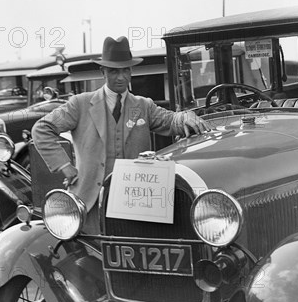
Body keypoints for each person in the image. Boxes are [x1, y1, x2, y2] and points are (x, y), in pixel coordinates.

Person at [32, 36, 208, 232]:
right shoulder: (79, 104)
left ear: (131, 71)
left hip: (135, 203)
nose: (121, 77)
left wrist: (185, 117)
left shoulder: (143, 105)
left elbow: (170, 120)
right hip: (90, 202)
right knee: (92, 256)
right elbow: (41, 129)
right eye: (114, 71)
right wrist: (66, 167)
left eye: (125, 70)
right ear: (102, 72)